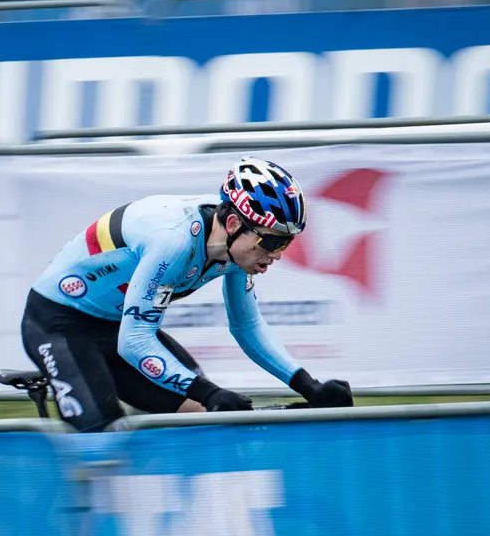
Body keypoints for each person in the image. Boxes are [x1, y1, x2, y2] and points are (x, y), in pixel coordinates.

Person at [20, 156, 353, 433]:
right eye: (272, 241)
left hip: (111, 325)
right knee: (102, 439)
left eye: (286, 243)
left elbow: (247, 326)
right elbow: (135, 341)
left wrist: (308, 386)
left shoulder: (235, 251)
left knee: (201, 419)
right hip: (59, 324)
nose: (277, 254)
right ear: (235, 224)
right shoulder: (174, 240)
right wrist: (210, 393)